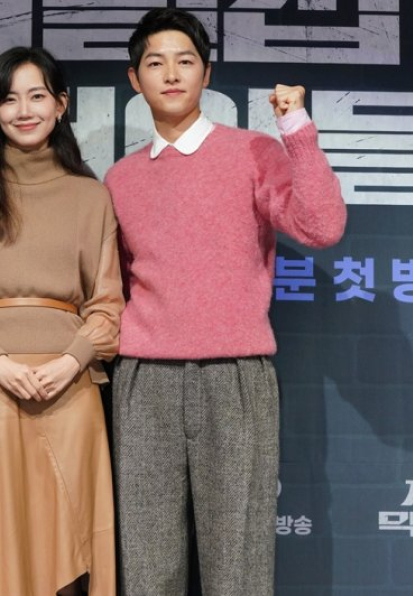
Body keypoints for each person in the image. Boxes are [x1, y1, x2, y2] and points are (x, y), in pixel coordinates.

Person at [103, 8, 347, 596]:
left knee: (238, 567)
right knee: (147, 567)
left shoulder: (252, 152)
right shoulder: (120, 178)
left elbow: (321, 227)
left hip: (235, 377)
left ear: (206, 73)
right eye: (155, 63)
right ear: (134, 79)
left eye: (185, 61)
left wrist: (296, 129)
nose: (171, 74)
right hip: (144, 381)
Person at [0, 46, 122, 596]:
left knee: (71, 554)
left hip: (71, 393)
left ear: (61, 105)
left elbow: (108, 305)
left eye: (37, 96)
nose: (24, 110)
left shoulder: (91, 197)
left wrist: (71, 362)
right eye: (9, 99)